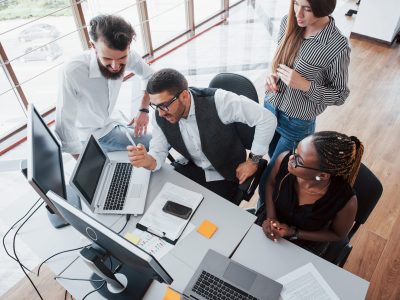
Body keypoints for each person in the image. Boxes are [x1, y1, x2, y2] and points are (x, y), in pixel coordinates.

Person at [127, 68, 277, 202]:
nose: (160, 113)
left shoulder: (220, 102)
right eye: (156, 106)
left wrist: (253, 161)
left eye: (164, 105)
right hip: (192, 166)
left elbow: (267, 119)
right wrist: (148, 160)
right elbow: (158, 152)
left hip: (226, 173)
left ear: (184, 96)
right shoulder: (160, 115)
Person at [259, 0, 351, 204]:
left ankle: (263, 219)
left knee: (269, 180)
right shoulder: (288, 22)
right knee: (274, 163)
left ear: (323, 8)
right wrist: (271, 76)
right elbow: (280, 63)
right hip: (270, 107)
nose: (299, 13)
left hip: (296, 123)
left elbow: (340, 94)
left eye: (307, 9)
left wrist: (306, 85)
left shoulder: (337, 46)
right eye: (296, 3)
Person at [55, 14, 153, 159]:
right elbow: (64, 124)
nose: (115, 66)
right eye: (107, 58)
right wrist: (84, 162)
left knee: (162, 140)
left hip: (112, 122)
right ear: (92, 46)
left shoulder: (128, 55)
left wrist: (143, 110)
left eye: (122, 59)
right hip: (90, 136)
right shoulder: (73, 71)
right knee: (156, 142)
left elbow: (149, 76)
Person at [259, 131, 363, 256]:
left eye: (299, 160)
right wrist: (271, 218)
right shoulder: (284, 160)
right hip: (270, 221)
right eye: (295, 151)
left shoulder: (346, 201)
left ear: (322, 175)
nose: (291, 158)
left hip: (306, 241)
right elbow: (271, 183)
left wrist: (293, 233)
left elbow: (337, 234)